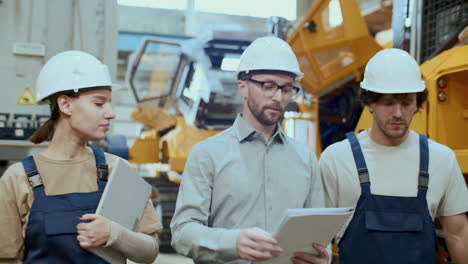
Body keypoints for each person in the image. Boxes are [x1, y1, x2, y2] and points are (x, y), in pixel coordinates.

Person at [170, 36, 329, 264]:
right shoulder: (206, 154)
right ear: (243, 87)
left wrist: (322, 257)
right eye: (268, 86)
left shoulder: (305, 158)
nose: (278, 97)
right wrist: (231, 242)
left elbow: (317, 232)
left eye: (287, 88)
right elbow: (183, 233)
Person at [0, 51, 162, 263]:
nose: (111, 113)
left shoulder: (118, 170)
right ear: (65, 105)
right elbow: (6, 258)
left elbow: (149, 251)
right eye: (99, 103)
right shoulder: (18, 178)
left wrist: (115, 234)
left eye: (109, 103)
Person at [319, 48, 468, 264]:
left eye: (406, 102)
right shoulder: (337, 159)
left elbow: (458, 233)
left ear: (417, 103)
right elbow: (318, 237)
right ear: (369, 103)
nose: (398, 113)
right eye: (388, 103)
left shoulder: (441, 159)